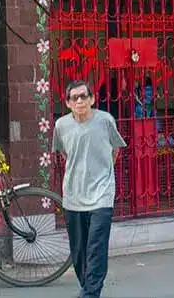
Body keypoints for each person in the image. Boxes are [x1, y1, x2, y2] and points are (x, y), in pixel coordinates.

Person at [53, 80, 126, 298]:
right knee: (79, 251)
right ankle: (88, 287)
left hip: (102, 194)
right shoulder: (61, 125)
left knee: (96, 247)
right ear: (67, 103)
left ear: (92, 99)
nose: (80, 101)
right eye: (74, 97)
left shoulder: (105, 121)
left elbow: (115, 150)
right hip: (73, 195)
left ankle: (91, 294)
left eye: (84, 96)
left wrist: (102, 173)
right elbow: (65, 153)